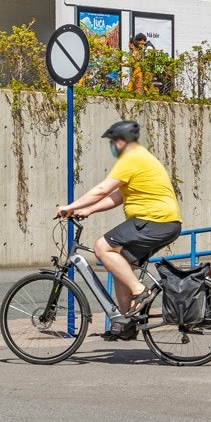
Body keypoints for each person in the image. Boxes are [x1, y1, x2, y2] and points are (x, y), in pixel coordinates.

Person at [55, 120, 181, 340]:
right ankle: (126, 324)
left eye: (113, 142)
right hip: (164, 222)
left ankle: (140, 291)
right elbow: (118, 197)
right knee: (121, 266)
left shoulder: (131, 158)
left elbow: (103, 189)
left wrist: (71, 206)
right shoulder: (141, 158)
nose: (112, 146)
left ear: (122, 141)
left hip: (153, 220)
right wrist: (89, 210)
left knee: (101, 247)